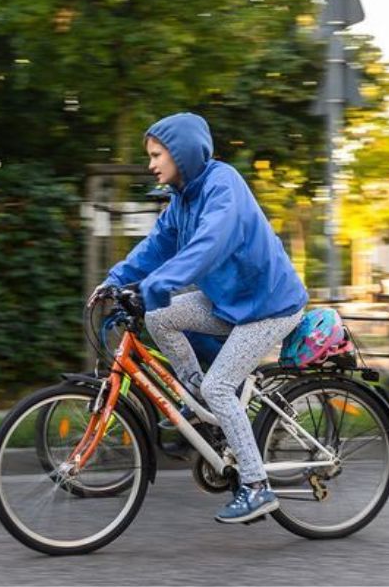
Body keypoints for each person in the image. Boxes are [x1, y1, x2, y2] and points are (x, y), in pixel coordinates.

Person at [90, 112, 308, 524]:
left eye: (157, 155)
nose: (151, 163)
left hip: (269, 306)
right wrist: (115, 280)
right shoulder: (182, 197)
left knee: (220, 385)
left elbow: (208, 244)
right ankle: (196, 400)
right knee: (160, 317)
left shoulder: (222, 186)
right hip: (231, 302)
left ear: (181, 152)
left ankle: (257, 487)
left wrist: (155, 285)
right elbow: (156, 245)